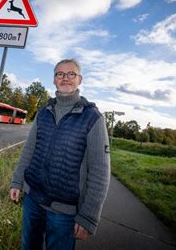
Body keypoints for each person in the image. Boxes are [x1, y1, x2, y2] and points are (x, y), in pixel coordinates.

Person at [10, 58, 110, 250]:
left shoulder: (93, 118)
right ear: (54, 80)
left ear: (79, 80)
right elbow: (28, 151)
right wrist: (17, 182)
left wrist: (89, 216)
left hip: (64, 213)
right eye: (60, 74)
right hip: (32, 201)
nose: (65, 78)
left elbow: (100, 171)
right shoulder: (43, 113)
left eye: (71, 74)